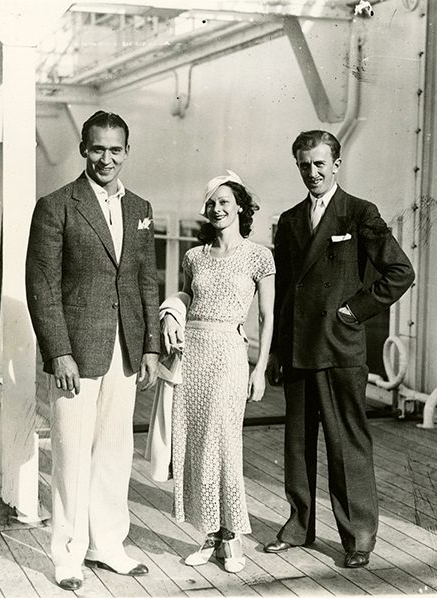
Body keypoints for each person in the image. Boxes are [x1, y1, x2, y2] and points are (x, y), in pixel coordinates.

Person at [264, 130, 414, 568]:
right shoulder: (291, 220)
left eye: (319, 164)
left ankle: (358, 537)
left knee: (346, 444)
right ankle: (299, 525)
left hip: (339, 347)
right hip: (297, 349)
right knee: (297, 443)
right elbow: (285, 292)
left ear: (337, 164)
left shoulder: (358, 213)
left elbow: (399, 272)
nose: (312, 172)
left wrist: (353, 311)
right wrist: (274, 351)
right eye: (304, 165)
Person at [25, 110, 160, 591]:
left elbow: (146, 279)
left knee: (115, 451)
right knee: (71, 452)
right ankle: (67, 555)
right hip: (76, 354)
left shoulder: (140, 207)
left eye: (115, 150)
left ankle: (108, 544)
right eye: (98, 148)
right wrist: (58, 351)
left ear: (127, 151)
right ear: (84, 149)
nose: (107, 158)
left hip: (124, 350)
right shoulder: (57, 205)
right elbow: (41, 285)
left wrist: (149, 347)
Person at [161, 171, 275, 573]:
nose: (217, 208)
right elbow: (186, 296)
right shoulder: (195, 256)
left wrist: (260, 368)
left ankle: (232, 538)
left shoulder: (259, 256)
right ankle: (210, 533)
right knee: (194, 443)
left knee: (224, 443)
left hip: (229, 353)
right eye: (212, 203)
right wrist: (172, 313)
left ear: (240, 207)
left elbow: (267, 315)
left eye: (225, 202)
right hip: (192, 352)